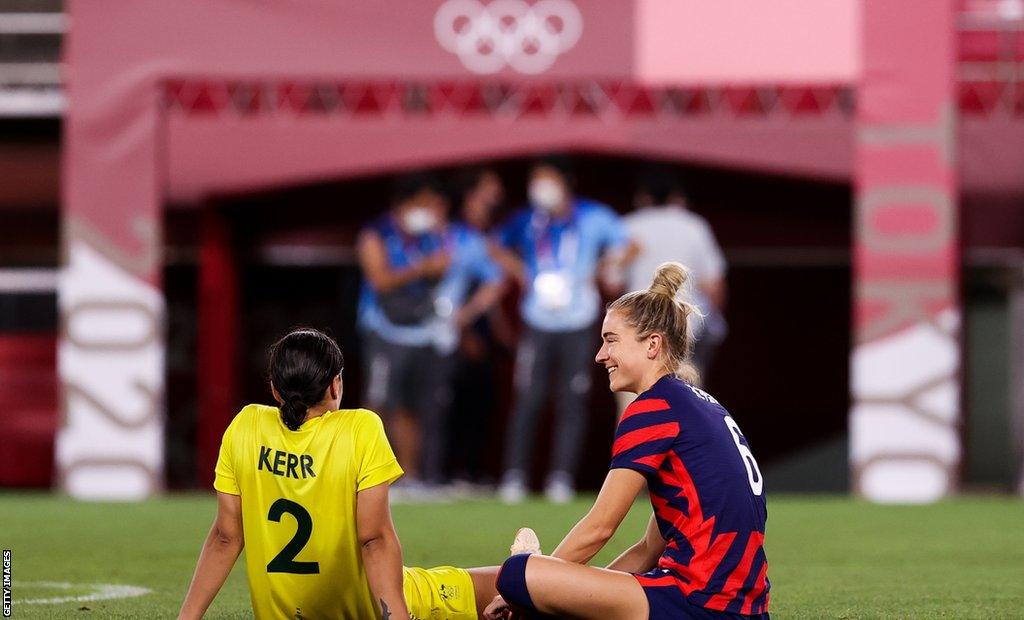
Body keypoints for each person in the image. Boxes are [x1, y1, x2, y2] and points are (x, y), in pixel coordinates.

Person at [177, 328, 533, 619]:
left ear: (275, 388)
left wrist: (187, 618)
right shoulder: (360, 427)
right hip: (365, 604)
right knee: (500, 584)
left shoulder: (246, 426)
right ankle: (527, 576)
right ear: (335, 385)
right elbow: (374, 539)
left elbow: (226, 537)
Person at [484, 263, 770, 620]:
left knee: (514, 573)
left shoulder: (653, 409)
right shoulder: (699, 404)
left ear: (653, 344)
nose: (600, 355)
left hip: (697, 599)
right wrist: (567, 589)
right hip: (742, 606)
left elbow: (599, 527)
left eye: (610, 340)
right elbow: (649, 547)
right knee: (539, 578)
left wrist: (527, 587)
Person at [494, 155, 635, 504]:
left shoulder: (593, 215)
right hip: (537, 320)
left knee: (573, 398)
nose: (539, 188)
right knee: (528, 395)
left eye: (546, 179)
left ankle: (561, 478)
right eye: (535, 180)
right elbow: (494, 243)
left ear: (564, 182)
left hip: (578, 319)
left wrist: (598, 269)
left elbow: (630, 245)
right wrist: (520, 271)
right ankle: (515, 476)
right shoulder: (526, 219)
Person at [358, 172, 503, 490]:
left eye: (435, 205)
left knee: (411, 407)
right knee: (379, 404)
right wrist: (423, 269)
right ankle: (368, 476)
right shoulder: (377, 233)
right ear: (404, 204)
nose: (431, 211)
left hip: (423, 333)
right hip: (383, 331)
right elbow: (379, 280)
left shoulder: (437, 236)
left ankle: (409, 477)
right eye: (424, 204)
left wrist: (462, 315)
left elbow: (480, 275)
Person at [624, 166, 727, 382]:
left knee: (638, 399)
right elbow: (714, 285)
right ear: (676, 196)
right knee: (688, 398)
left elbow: (611, 283)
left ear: (643, 197)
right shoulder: (694, 226)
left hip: (640, 327)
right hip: (686, 327)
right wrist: (715, 322)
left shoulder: (628, 227)